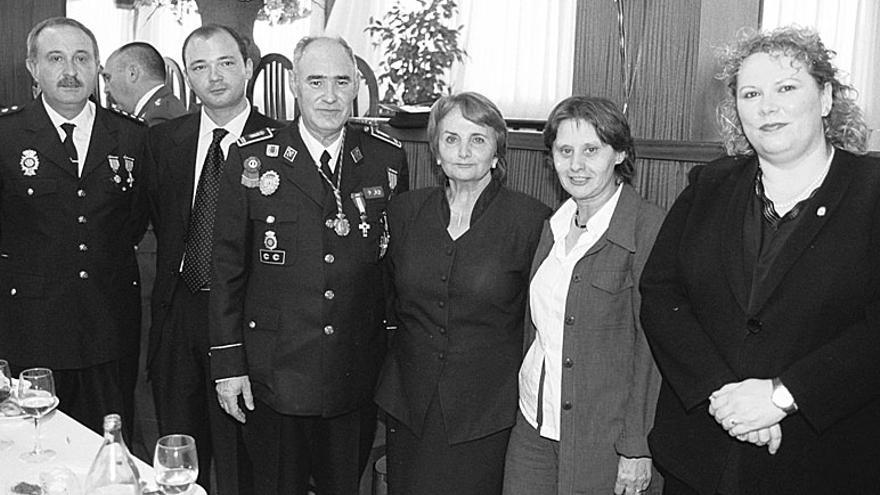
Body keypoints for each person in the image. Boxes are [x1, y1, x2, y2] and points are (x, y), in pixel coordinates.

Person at [640, 26, 880, 494]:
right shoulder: (708, 186)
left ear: (826, 97)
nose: (767, 106)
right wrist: (723, 396)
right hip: (700, 456)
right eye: (751, 94)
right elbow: (661, 294)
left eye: (786, 88)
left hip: (822, 462)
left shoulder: (872, 193)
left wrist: (782, 395)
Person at [209, 35, 409, 495]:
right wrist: (228, 364)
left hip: (352, 373)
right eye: (316, 81)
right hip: (274, 373)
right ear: (294, 86)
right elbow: (227, 269)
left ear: (357, 86)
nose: (330, 95)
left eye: (342, 82)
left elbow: (390, 266)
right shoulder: (252, 157)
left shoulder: (385, 158)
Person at [374, 92, 550, 495]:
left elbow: (537, 319)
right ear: (435, 151)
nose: (464, 152)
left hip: (486, 411)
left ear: (496, 152)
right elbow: (386, 300)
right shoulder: (404, 213)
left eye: (478, 139)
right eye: (451, 139)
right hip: (409, 402)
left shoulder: (531, 220)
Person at [501, 96, 664, 495]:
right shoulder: (553, 226)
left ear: (620, 152)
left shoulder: (647, 229)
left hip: (604, 439)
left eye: (592, 150)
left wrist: (637, 446)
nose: (577, 165)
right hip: (534, 427)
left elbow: (653, 350)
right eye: (565, 151)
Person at [145, 24, 279, 494]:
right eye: (200, 67)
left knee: (245, 461)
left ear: (248, 67)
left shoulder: (281, 145)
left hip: (249, 322)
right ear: (187, 75)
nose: (214, 77)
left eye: (225, 63)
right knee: (180, 456)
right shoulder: (163, 142)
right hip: (179, 315)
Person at [0, 17, 150, 436]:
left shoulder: (132, 137)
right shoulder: (7, 136)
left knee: (109, 445)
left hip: (109, 324)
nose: (70, 70)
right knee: (34, 449)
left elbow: (134, 221)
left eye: (81, 58)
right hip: (31, 327)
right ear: (32, 67)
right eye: (56, 58)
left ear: (96, 66)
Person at [103, 42, 187, 126]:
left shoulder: (158, 118)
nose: (105, 89)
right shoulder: (160, 109)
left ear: (132, 73)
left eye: (108, 78)